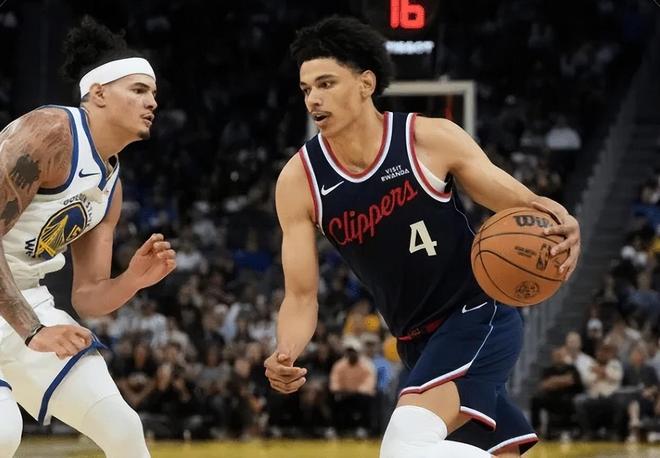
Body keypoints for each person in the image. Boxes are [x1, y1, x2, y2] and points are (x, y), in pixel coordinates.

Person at [263, 16, 581, 457]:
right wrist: (286, 351)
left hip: (476, 314)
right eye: (306, 89)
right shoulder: (300, 180)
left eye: (326, 83)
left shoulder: (428, 139)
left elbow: (519, 202)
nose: (313, 98)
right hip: (415, 341)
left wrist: (558, 218)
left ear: (366, 83)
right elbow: (301, 297)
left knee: (405, 444)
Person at [0, 17, 176, 458]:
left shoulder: (110, 185)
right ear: (98, 93)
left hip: (23, 298)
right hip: (21, 313)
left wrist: (132, 280)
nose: (152, 102)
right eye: (139, 90)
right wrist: (33, 330)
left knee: (122, 427)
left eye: (154, 93)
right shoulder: (49, 132)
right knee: (3, 431)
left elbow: (88, 298)